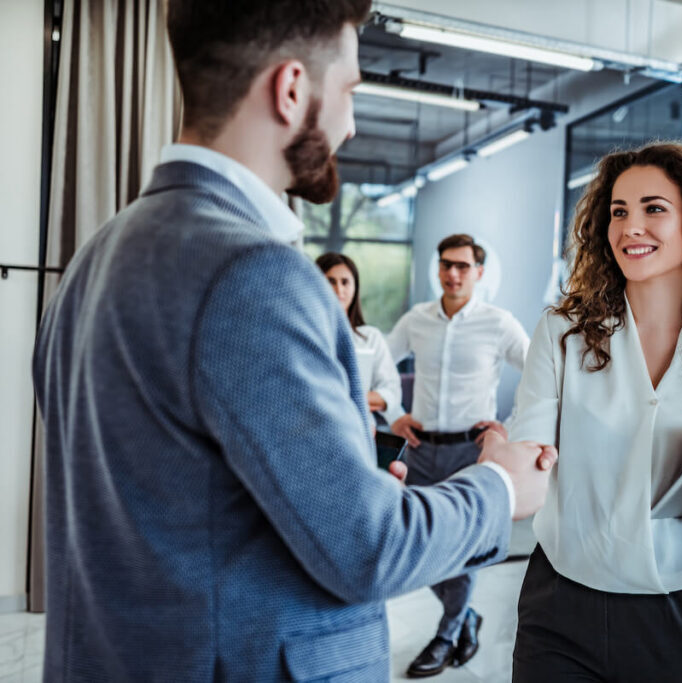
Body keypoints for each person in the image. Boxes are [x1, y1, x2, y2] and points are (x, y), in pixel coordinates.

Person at [31, 2, 556, 680]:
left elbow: (172, 492)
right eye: (349, 90)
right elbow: (369, 548)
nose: (350, 122)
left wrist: (338, 474)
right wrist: (500, 486)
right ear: (290, 90)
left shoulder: (94, 256)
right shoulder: (254, 275)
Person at [507, 142, 682, 682]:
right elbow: (528, 459)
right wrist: (502, 474)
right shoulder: (562, 336)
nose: (631, 226)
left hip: (674, 613)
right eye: (618, 211)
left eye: (654, 208)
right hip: (560, 604)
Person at [387, 233, 531, 677]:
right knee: (416, 544)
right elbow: (378, 367)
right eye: (446, 264)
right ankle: (466, 617)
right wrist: (394, 413)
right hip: (420, 451)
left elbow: (539, 374)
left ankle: (447, 635)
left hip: (468, 452)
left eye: (463, 266)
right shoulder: (416, 320)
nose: (453, 274)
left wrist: (510, 426)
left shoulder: (498, 322)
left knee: (462, 550)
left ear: (479, 273)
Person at [316, 252, 403, 425]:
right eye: (330, 281)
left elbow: (391, 393)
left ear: (355, 288)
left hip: (359, 432)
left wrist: (346, 398)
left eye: (345, 282)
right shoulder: (305, 336)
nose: (339, 290)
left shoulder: (371, 337)